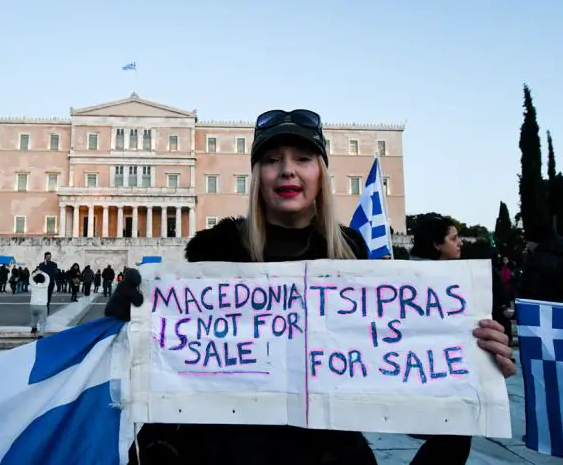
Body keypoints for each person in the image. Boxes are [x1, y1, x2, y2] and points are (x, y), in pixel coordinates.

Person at [124, 109, 516, 465]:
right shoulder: (212, 254)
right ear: (256, 176)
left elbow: (395, 388)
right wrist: (132, 324)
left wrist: (471, 365)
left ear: (321, 174)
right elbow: (176, 378)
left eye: (303, 158)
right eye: (272, 160)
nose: (287, 171)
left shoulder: (354, 257)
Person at [409, 215, 515, 463]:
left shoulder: (466, 278)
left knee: (455, 438)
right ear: (437, 244)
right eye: (453, 238)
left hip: (454, 374)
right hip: (428, 376)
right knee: (453, 440)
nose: (460, 243)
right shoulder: (413, 280)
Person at [517, 224, 563, 303]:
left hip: (540, 306)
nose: (528, 246)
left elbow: (527, 288)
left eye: (529, 242)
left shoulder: (536, 260)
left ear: (536, 242)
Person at [28, 270, 50, 338]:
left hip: (33, 304)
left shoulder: (33, 285)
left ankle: (33, 328)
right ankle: (41, 334)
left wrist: (36, 273)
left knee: (34, 317)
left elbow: (30, 278)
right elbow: (48, 277)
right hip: (42, 305)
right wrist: (42, 272)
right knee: (42, 321)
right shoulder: (45, 285)